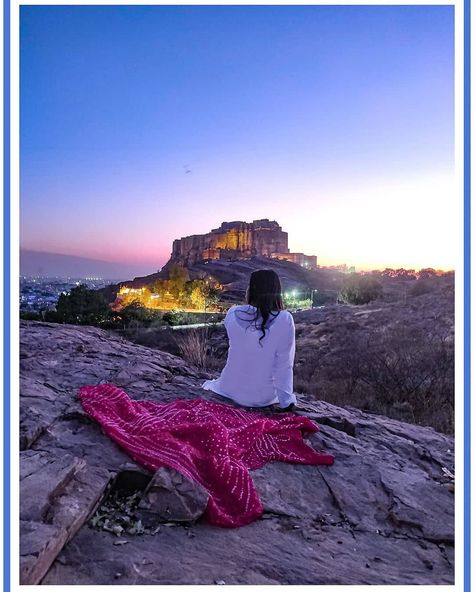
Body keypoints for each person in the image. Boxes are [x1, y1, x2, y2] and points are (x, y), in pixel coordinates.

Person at [202, 269, 297, 410]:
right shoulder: (284, 319)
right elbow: (284, 365)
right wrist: (286, 402)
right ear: (277, 292)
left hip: (229, 389)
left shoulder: (232, 313)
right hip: (261, 398)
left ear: (251, 289)